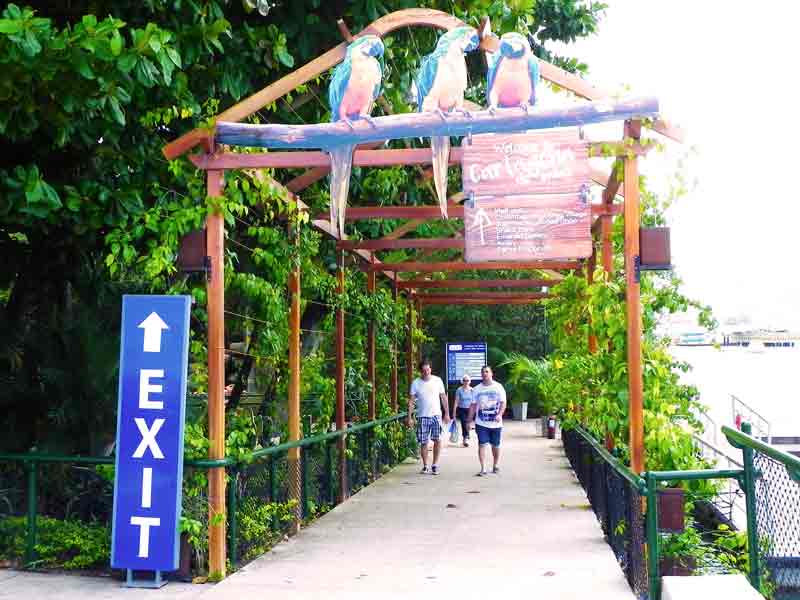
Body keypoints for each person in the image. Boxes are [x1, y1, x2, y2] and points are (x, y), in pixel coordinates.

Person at [409, 358, 450, 475]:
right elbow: (411, 401)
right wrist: (410, 417)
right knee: (424, 441)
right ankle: (425, 465)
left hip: (436, 415)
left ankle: (435, 464)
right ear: (420, 371)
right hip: (422, 416)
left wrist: (447, 413)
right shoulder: (416, 383)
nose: (426, 372)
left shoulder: (437, 381)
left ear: (431, 369)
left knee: (437, 439)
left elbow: (443, 397)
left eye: (428, 369)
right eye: (424, 370)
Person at [468, 365, 507, 476]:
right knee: (482, 444)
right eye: (483, 372)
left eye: (487, 372)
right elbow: (473, 406)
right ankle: (483, 468)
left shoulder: (498, 387)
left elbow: (503, 403)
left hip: (496, 423)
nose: (485, 374)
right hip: (481, 422)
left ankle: (495, 465)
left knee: (495, 446)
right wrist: (469, 420)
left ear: (491, 373)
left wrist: (500, 414)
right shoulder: (476, 389)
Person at [454, 373, 474, 447]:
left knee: (468, 424)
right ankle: (465, 438)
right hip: (461, 409)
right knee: (463, 422)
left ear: (470, 381)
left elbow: (474, 401)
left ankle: (466, 436)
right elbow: (456, 401)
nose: (466, 382)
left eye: (467, 380)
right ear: (462, 381)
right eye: (464, 380)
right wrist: (454, 413)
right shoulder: (459, 390)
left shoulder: (472, 390)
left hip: (470, 409)